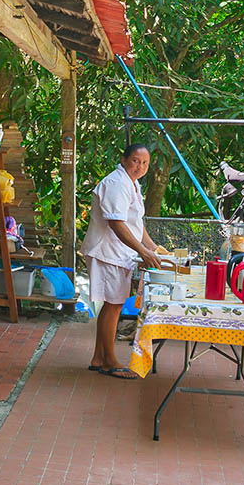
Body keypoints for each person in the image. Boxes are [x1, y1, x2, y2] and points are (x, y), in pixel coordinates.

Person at [80, 144, 163, 379]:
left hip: (119, 253)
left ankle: (99, 358)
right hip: (108, 252)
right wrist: (143, 252)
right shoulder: (117, 184)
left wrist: (152, 247)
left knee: (112, 305)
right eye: (136, 161)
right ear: (124, 159)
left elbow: (136, 223)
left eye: (145, 163)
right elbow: (117, 224)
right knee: (113, 306)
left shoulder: (131, 183)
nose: (140, 167)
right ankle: (110, 362)